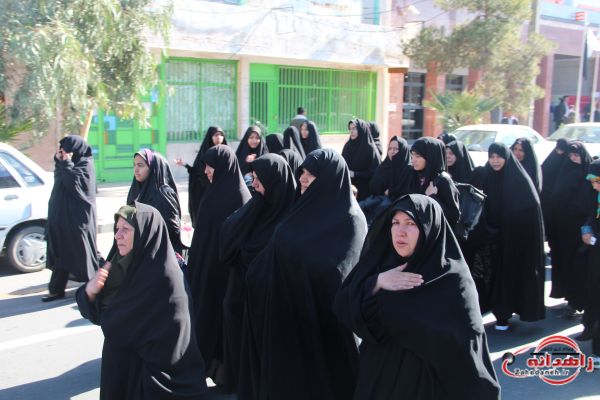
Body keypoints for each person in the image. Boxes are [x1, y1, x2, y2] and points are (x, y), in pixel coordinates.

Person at [334, 194, 501, 400]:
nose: (400, 231)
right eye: (395, 222)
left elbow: (466, 350)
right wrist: (376, 283)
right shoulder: (382, 266)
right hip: (379, 381)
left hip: (427, 386)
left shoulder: (453, 280)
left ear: (429, 228)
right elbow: (344, 307)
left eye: (411, 223)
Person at [239, 149, 367, 400]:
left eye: (312, 174)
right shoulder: (301, 209)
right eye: (302, 172)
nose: (303, 179)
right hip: (290, 317)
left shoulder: (350, 219)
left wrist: (297, 267)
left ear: (331, 177)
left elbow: (341, 271)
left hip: (327, 322)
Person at [76, 203, 208, 399]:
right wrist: (89, 292)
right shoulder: (119, 266)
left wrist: (98, 304)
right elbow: (100, 315)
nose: (117, 235)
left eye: (126, 229)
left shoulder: (164, 280)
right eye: (117, 228)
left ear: (144, 234)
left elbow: (118, 324)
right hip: (123, 369)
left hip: (150, 378)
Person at [220, 154, 296, 394]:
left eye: (259, 180)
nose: (253, 184)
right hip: (241, 296)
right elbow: (229, 238)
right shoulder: (257, 206)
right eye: (253, 178)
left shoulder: (292, 218)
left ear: (274, 182)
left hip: (269, 304)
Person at [186, 145, 251, 388]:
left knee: (221, 323)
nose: (206, 171)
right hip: (207, 271)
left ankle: (224, 372)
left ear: (223, 166)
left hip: (225, 275)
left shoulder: (240, 197)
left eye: (210, 165)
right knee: (205, 319)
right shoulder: (214, 192)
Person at [469, 143, 545, 329]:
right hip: (489, 238)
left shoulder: (519, 180)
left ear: (506, 158)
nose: (495, 161)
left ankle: (503, 315)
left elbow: (530, 208)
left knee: (508, 277)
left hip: (512, 240)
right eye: (491, 157)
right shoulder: (485, 176)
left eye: (499, 157)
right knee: (488, 277)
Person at [44, 135, 98, 302]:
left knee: (83, 254)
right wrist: (61, 162)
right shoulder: (66, 164)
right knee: (61, 253)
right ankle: (56, 290)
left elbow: (75, 186)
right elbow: (60, 181)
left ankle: (94, 287)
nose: (64, 152)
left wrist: (66, 163)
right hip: (62, 219)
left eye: (66, 149)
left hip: (79, 220)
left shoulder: (86, 165)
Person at [546, 142, 594, 313]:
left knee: (579, 266)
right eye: (571, 155)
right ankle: (568, 296)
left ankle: (577, 301)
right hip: (562, 227)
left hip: (582, 228)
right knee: (565, 263)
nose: (573, 158)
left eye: (577, 155)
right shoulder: (564, 171)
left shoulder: (591, 174)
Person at [127, 149, 184, 255]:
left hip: (159, 254)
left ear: (153, 168)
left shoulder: (164, 194)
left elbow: (171, 229)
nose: (136, 170)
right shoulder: (137, 190)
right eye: (134, 165)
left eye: (140, 165)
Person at [175, 126, 227, 227]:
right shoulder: (205, 153)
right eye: (216, 135)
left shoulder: (227, 153)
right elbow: (197, 172)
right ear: (210, 137)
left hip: (222, 191)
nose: (219, 137)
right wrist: (185, 165)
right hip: (206, 191)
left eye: (221, 134)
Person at [577, 160, 600, 364]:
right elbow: (591, 217)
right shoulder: (596, 196)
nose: (594, 186)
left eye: (597, 181)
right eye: (592, 182)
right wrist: (586, 230)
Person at [359, 136, 411, 226]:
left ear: (403, 150)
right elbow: (373, 185)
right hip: (377, 198)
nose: (392, 151)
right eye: (390, 148)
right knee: (360, 206)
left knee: (380, 210)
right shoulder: (384, 165)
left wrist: (391, 191)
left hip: (395, 202)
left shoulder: (408, 169)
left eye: (396, 149)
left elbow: (406, 190)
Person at [409, 137, 460, 228]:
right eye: (412, 155)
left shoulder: (443, 181)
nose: (413, 160)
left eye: (418, 156)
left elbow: (453, 217)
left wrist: (433, 197)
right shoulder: (414, 175)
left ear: (430, 156)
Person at [541, 138, 571, 256]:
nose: (559, 152)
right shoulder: (552, 159)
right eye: (558, 149)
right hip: (548, 199)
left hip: (562, 201)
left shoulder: (568, 161)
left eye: (562, 149)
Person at [342, 119, 382, 201]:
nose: (351, 131)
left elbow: (375, 173)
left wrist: (355, 174)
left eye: (354, 128)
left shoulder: (370, 149)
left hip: (365, 192)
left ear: (361, 130)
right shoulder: (348, 146)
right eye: (350, 129)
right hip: (349, 188)